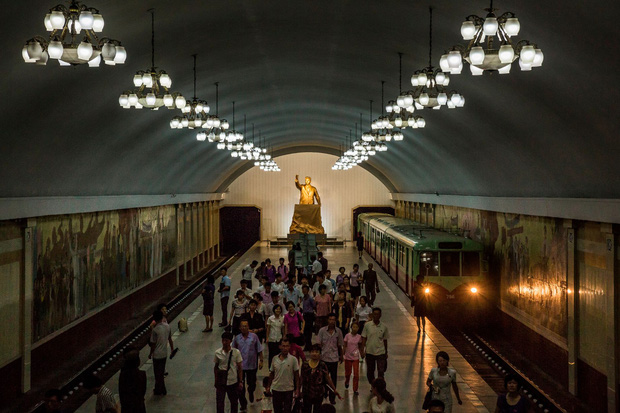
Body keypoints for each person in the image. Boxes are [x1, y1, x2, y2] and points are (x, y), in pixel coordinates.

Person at [234, 320, 264, 411]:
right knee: (240, 386)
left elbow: (259, 349)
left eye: (246, 326)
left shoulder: (254, 337)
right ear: (240, 328)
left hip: (252, 365)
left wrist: (261, 360)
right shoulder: (237, 338)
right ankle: (243, 403)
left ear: (248, 327)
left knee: (252, 384)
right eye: (242, 326)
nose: (244, 328)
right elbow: (234, 351)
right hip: (241, 367)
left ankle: (251, 391)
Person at [300, 344, 340, 413]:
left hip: (319, 393)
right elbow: (301, 378)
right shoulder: (305, 364)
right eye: (312, 351)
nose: (314, 353)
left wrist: (334, 390)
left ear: (320, 353)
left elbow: (328, 378)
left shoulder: (322, 365)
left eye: (316, 352)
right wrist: (298, 389)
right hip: (307, 393)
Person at [266, 337, 300, 413]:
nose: (285, 348)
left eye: (287, 346)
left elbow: (297, 376)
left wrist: (297, 389)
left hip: (288, 389)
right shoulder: (274, 359)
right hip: (276, 388)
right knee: (277, 410)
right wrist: (268, 386)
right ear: (280, 346)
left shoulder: (293, 359)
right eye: (283, 346)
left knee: (287, 410)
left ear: (289, 347)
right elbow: (271, 373)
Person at [316, 313, 344, 405]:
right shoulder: (322, 331)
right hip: (324, 358)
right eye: (330, 319)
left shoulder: (338, 332)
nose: (332, 321)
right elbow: (318, 345)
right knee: (323, 379)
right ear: (327, 320)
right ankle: (323, 395)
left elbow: (340, 345)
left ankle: (332, 397)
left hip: (334, 359)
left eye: (333, 319)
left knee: (333, 379)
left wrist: (341, 355)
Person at [214, 332, 243, 413]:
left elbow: (240, 367)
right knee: (220, 403)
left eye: (226, 340)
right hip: (221, 382)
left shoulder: (236, 352)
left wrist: (240, 381)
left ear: (230, 341)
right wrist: (216, 380)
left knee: (234, 402)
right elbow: (216, 367)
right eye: (223, 340)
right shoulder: (217, 353)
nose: (224, 342)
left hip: (232, 381)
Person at [361, 307, 389, 385]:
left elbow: (385, 340)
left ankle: (380, 386)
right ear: (372, 315)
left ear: (380, 315)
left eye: (378, 314)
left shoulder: (384, 327)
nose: (376, 316)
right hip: (370, 352)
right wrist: (362, 350)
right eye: (375, 314)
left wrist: (386, 352)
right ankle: (373, 385)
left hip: (380, 352)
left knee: (381, 371)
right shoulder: (367, 325)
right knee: (370, 371)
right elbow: (363, 338)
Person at [149, 310, 173, 395]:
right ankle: (159, 389)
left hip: (157, 355)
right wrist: (172, 350)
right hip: (164, 353)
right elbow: (170, 338)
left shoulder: (155, 330)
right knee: (161, 372)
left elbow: (153, 344)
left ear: (154, 319)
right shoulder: (167, 326)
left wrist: (150, 354)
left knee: (157, 373)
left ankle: (161, 389)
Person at [118, 349, 146, 413]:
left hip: (127, 408)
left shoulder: (123, 375)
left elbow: (121, 393)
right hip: (139, 407)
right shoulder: (142, 374)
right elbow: (143, 391)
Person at [343, 321, 362, 395]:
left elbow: (360, 347)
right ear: (351, 327)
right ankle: (347, 381)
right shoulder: (347, 336)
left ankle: (355, 389)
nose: (355, 328)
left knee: (356, 374)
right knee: (348, 373)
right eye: (353, 327)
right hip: (348, 357)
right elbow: (344, 345)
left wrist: (362, 354)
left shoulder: (359, 337)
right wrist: (342, 354)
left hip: (355, 357)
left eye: (356, 327)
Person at [266, 304, 285, 368]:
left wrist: (284, 337)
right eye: (277, 309)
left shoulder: (282, 318)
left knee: (279, 354)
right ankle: (270, 368)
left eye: (279, 309)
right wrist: (267, 338)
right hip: (271, 339)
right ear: (274, 310)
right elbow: (268, 329)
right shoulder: (270, 318)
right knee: (271, 355)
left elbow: (283, 329)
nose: (278, 310)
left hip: (279, 339)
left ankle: (278, 367)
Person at [301, 284, 316, 350]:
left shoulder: (310, 298)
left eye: (305, 290)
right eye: (303, 290)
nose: (304, 291)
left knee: (309, 331)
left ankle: (309, 345)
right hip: (305, 315)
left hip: (310, 315)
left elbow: (314, 306)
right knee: (305, 331)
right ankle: (307, 344)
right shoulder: (303, 298)